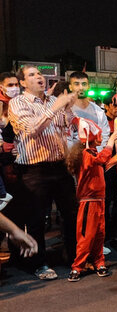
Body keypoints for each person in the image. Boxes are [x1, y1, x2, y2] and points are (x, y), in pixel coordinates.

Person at [8, 64, 78, 280]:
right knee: (36, 219)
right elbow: (31, 129)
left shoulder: (51, 101)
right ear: (22, 83)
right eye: (32, 75)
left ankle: (74, 257)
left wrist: (67, 108)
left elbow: (65, 127)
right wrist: (57, 106)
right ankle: (40, 264)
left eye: (39, 74)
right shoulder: (17, 102)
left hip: (59, 166)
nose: (39, 77)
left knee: (71, 215)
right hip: (34, 169)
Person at [65, 119, 117, 281]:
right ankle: (78, 266)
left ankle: (98, 262)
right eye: (99, 135)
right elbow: (101, 159)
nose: (101, 137)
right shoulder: (87, 154)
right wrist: (111, 142)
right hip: (89, 201)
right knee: (87, 235)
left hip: (98, 199)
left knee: (99, 234)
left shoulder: (91, 153)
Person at [68, 72, 111, 151]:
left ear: (88, 87)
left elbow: (104, 136)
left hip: (95, 158)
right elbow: (66, 139)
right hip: (74, 158)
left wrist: (95, 155)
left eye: (84, 84)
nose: (81, 87)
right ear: (70, 87)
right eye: (76, 84)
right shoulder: (66, 111)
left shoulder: (99, 112)